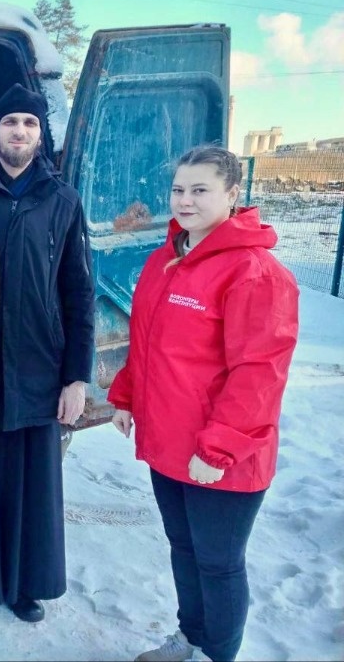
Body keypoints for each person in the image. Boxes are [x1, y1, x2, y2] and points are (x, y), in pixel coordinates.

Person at [109, 145, 299, 662]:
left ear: (232, 194)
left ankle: (218, 654)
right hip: (170, 442)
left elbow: (259, 375)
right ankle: (190, 638)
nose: (185, 201)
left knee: (218, 563)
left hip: (222, 456)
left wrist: (218, 450)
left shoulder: (254, 273)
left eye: (200, 190)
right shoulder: (166, 259)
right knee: (184, 549)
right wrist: (126, 397)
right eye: (178, 189)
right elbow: (146, 342)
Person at [0, 83, 95, 625]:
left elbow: (78, 290)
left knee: (32, 482)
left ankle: (23, 583)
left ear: (40, 134)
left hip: (40, 363)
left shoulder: (62, 200)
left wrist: (76, 376)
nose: (20, 131)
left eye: (30, 123)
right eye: (10, 121)